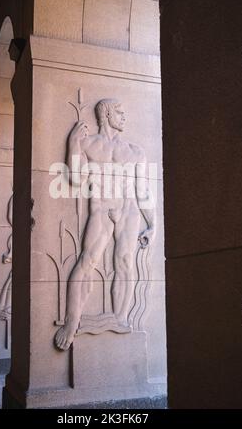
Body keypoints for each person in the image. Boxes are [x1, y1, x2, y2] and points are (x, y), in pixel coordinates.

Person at [55, 99, 155, 350]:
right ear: (107, 114)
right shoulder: (88, 144)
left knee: (124, 263)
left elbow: (143, 190)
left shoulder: (136, 151)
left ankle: (120, 320)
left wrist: (152, 224)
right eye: (120, 112)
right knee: (87, 261)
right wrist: (73, 144)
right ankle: (71, 321)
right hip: (101, 210)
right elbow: (76, 179)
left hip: (129, 211)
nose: (124, 117)